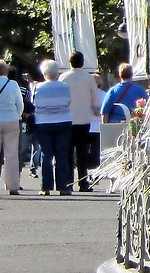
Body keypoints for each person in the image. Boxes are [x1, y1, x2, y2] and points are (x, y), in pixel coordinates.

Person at [60, 51, 101, 192]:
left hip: (68, 119)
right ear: (83, 62)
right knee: (82, 152)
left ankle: (68, 182)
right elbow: (95, 95)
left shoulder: (64, 77)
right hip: (84, 118)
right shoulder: (88, 78)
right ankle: (83, 183)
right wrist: (96, 109)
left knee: (68, 153)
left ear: (70, 62)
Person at [32, 60, 73, 195]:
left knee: (46, 154)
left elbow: (34, 103)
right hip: (63, 121)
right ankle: (63, 186)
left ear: (44, 73)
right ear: (57, 73)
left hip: (43, 122)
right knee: (62, 154)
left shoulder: (37, 87)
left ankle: (46, 187)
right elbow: (69, 101)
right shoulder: (65, 87)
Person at [0, 60, 24, 197]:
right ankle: (13, 185)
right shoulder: (13, 84)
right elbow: (19, 104)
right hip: (11, 119)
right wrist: (17, 115)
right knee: (11, 155)